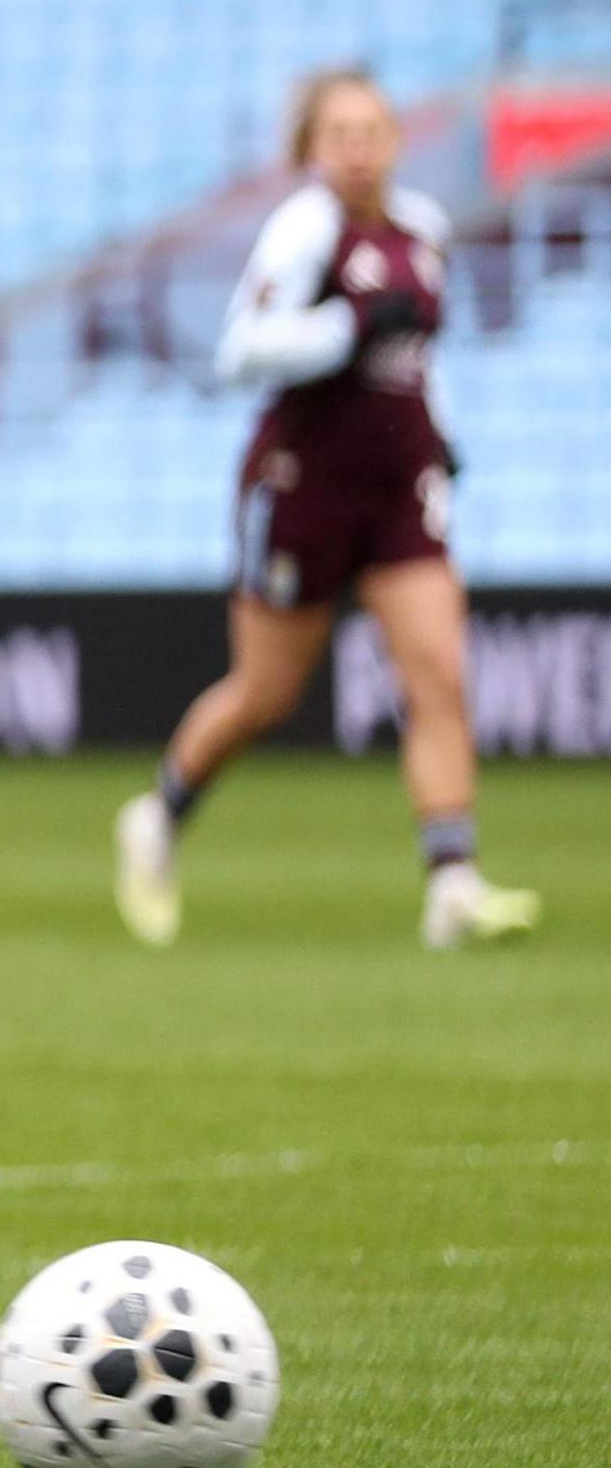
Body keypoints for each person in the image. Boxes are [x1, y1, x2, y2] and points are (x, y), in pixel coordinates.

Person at [115, 68, 540, 952]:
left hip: (398, 492)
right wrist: (345, 332)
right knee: (266, 694)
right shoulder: (305, 232)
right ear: (309, 150)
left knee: (438, 676)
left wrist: (442, 436)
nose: (357, 146)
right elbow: (239, 354)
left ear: (394, 138)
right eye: (337, 132)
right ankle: (159, 812)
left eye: (371, 128)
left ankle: (451, 881)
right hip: (304, 488)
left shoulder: (422, 232)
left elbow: (415, 356)